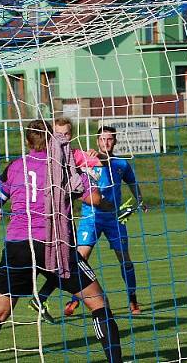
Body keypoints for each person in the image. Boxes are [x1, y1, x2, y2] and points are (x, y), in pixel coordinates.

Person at [0, 120, 123, 363]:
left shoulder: (15, 166)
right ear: (52, 140)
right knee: (98, 302)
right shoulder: (62, 166)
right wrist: (106, 203)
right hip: (55, 244)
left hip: (18, 245)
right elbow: (93, 197)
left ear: (28, 141)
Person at [59, 125, 144, 317]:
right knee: (80, 260)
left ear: (115, 141)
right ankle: (75, 300)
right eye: (102, 139)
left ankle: (132, 299)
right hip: (91, 218)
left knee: (125, 260)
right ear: (97, 141)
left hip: (114, 218)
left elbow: (132, 182)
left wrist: (139, 198)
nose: (106, 143)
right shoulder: (87, 161)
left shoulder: (121, 164)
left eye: (110, 139)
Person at [29, 117, 101, 323]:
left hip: (66, 223)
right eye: (58, 133)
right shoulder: (45, 158)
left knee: (68, 264)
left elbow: (99, 163)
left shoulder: (75, 154)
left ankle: (41, 297)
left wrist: (96, 157)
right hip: (49, 228)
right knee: (71, 264)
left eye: (67, 134)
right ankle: (46, 297)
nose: (63, 137)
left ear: (72, 135)